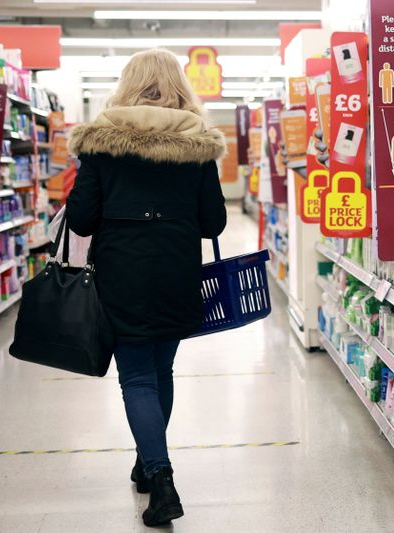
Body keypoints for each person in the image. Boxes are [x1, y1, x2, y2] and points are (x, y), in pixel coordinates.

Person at [66, 48, 227, 528]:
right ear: (180, 85)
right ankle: (147, 458)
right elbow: (214, 223)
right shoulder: (198, 143)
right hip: (177, 271)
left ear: (126, 84)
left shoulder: (100, 143)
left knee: (136, 376)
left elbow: (80, 218)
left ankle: (160, 477)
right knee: (162, 372)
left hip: (122, 275)